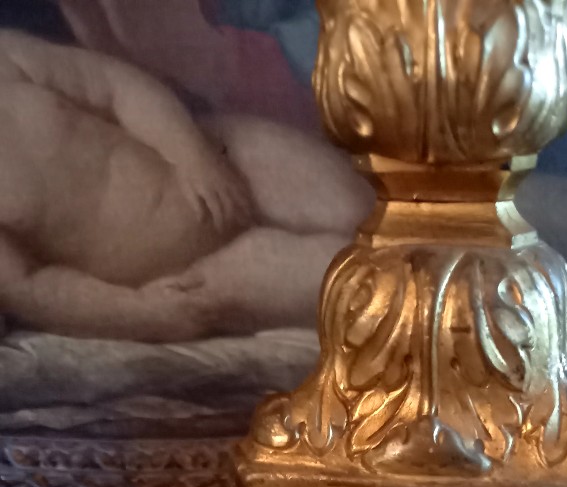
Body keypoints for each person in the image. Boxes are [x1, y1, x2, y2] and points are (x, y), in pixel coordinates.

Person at [0, 23, 369, 342]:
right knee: (361, 278)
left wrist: (192, 157)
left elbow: (117, 87)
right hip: (193, 270)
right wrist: (142, 313)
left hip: (220, 159)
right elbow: (28, 287)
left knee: (362, 205)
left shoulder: (9, 57)